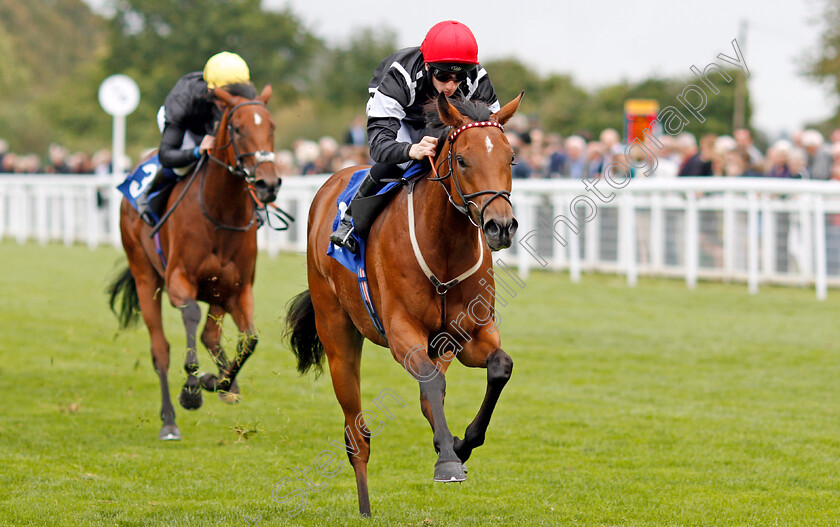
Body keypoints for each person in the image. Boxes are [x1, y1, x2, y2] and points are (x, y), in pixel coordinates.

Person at [330, 20, 501, 253]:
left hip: (444, 117)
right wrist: (411, 149)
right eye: (443, 75)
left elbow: (490, 133)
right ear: (429, 67)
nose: (451, 84)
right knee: (400, 161)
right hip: (401, 118)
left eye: (458, 77)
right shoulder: (400, 75)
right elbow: (379, 147)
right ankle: (350, 220)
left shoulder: (476, 78)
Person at [136, 51, 255, 222]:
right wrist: (197, 150)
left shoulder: (246, 97)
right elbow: (166, 155)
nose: (231, 101)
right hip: (185, 126)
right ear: (210, 89)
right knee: (183, 167)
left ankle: (255, 206)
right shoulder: (182, 99)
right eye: (225, 96)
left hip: (208, 125)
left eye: (237, 94)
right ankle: (148, 192)